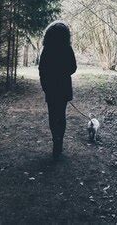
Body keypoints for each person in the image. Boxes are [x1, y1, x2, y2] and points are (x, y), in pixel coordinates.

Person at [38, 21, 77, 159]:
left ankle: (56, 139)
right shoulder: (67, 48)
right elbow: (73, 68)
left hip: (51, 87)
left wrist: (45, 85)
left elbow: (41, 69)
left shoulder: (47, 49)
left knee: (53, 115)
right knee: (61, 115)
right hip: (64, 87)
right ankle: (59, 142)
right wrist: (63, 72)